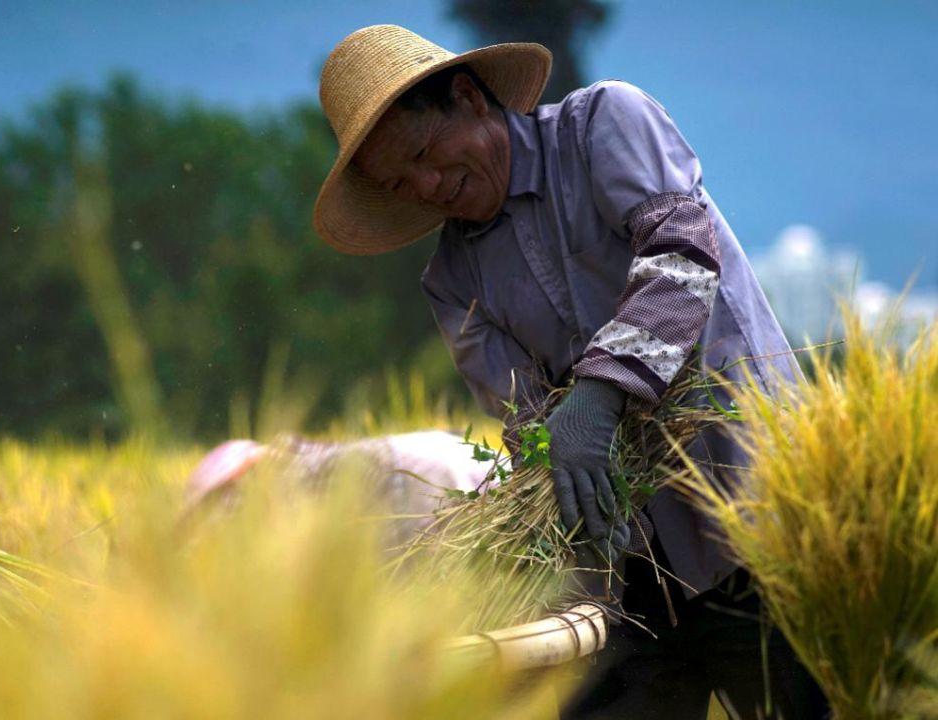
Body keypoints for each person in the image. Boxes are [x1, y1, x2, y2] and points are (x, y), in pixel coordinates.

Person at [313, 24, 828, 719]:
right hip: (630, 572)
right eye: (404, 182)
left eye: (425, 153)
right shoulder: (453, 281)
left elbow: (680, 257)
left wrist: (599, 393)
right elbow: (529, 423)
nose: (428, 185)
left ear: (468, 99)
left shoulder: (605, 125)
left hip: (758, 514)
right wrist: (550, 483)